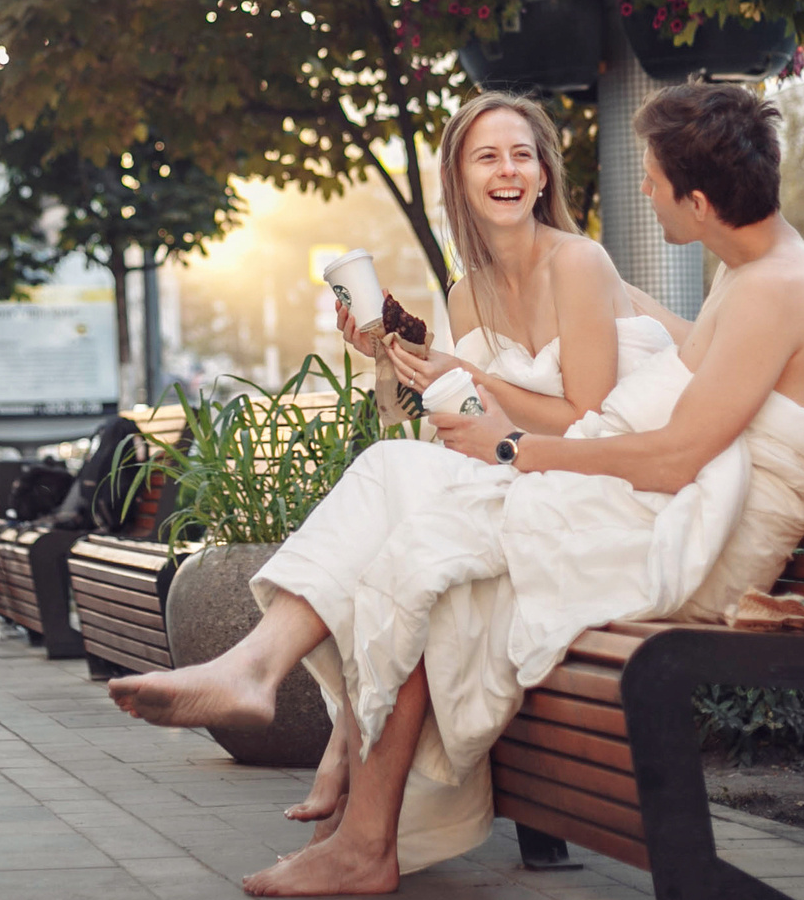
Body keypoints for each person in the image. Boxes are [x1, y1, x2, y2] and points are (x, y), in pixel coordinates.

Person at [108, 84, 804, 897]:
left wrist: (516, 448)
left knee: (436, 548)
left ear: (698, 200)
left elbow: (675, 457)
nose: (642, 191)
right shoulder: (750, 276)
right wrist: (413, 374)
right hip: (668, 499)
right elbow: (668, 393)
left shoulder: (775, 287)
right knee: (405, 491)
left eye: (652, 178)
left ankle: (357, 828)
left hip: (705, 535)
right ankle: (263, 678)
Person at [290, 92, 690, 860]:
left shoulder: (579, 260)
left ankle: (347, 747)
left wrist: (467, 371)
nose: (507, 170)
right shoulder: (465, 293)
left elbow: (585, 418)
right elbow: (457, 419)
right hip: (540, 474)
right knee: (410, 513)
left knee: (425, 536)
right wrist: (386, 360)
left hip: (618, 478)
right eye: (486, 156)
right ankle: (347, 740)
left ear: (543, 175)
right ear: (461, 180)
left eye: (521, 155)